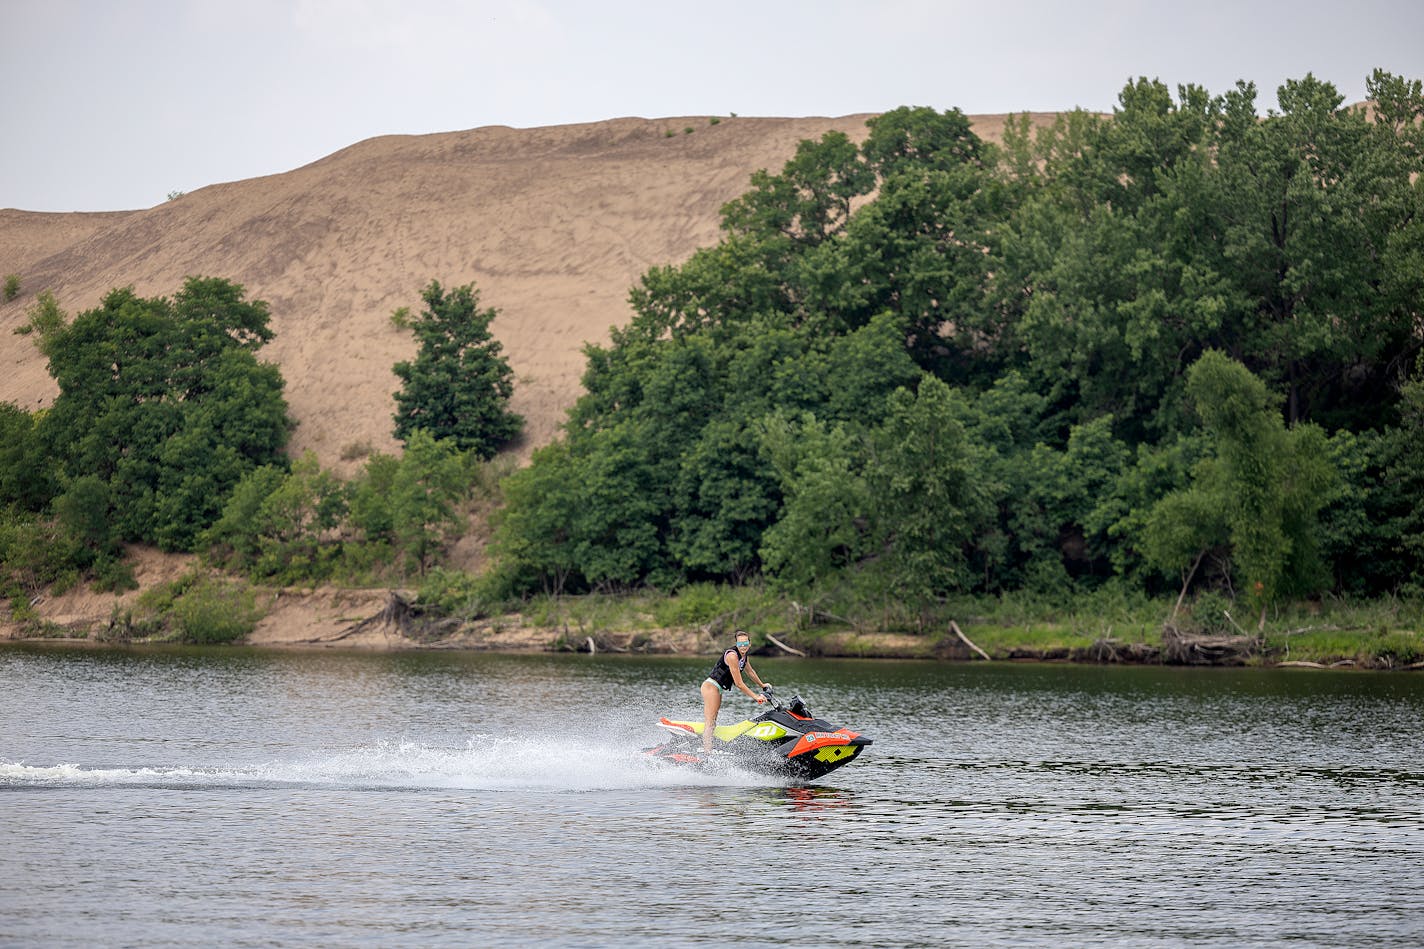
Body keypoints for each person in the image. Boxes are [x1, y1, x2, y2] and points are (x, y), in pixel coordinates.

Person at [700, 630, 769, 753]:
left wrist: (762, 685)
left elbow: (750, 672)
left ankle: (709, 747)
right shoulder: (732, 656)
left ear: (750, 644)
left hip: (718, 688)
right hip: (711, 687)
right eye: (740, 643)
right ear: (736, 644)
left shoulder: (744, 657)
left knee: (714, 720)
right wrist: (755, 697)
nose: (743, 646)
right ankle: (706, 753)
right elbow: (739, 684)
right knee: (710, 721)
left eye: (745, 643)